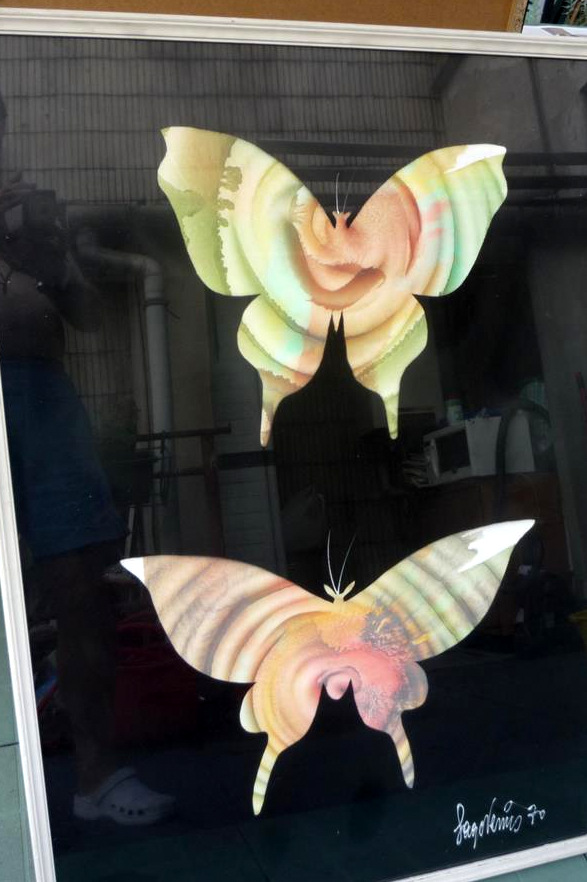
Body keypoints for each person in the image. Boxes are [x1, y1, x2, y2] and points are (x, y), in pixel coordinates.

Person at [0, 95, 175, 825]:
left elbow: (93, 319)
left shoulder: (26, 217)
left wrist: (52, 267)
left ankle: (95, 779)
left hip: (43, 403)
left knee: (82, 592)